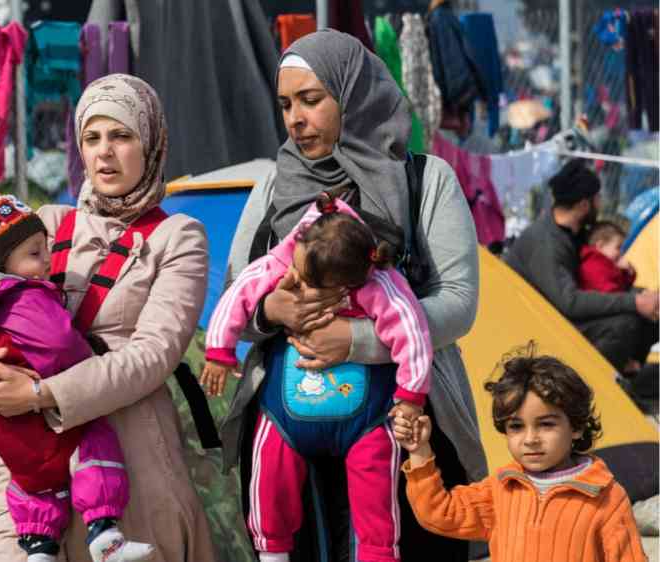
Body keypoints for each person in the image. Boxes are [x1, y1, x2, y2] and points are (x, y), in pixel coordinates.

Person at [220, 29, 487, 562]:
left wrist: (359, 338)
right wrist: (272, 311)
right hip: (290, 423)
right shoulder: (276, 187)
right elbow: (234, 295)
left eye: (312, 100)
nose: (295, 118)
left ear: (353, 94)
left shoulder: (424, 181)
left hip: (404, 429)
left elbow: (458, 301)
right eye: (285, 104)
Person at [0, 74, 218, 562]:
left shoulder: (180, 237)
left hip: (126, 460)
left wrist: (43, 394)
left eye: (122, 136)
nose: (105, 152)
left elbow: (152, 355)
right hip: (29, 465)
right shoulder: (45, 223)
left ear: (150, 143)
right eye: (92, 137)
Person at [0, 179, 154, 562]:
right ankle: (103, 530)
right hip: (41, 406)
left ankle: (39, 546)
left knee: (33, 479)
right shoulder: (24, 297)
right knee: (93, 438)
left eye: (46, 249)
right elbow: (58, 343)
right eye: (36, 253)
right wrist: (89, 361)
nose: (47, 260)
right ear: (1, 263)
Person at [202, 192, 431, 562]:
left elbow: (412, 332)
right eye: (296, 269)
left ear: (348, 286)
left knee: (376, 508)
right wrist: (218, 351)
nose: (296, 283)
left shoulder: (377, 285)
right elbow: (239, 292)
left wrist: (410, 396)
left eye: (310, 284)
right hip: (286, 412)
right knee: (268, 486)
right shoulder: (291, 255)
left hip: (367, 419)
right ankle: (272, 556)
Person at [393, 347, 648, 562]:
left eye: (546, 424)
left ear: (577, 426)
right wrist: (419, 451)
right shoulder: (502, 488)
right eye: (516, 426)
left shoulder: (606, 498)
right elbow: (439, 513)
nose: (530, 439)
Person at [505, 159, 659, 376]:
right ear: (584, 205)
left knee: (650, 315)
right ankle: (591, 385)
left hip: (562, 315)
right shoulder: (546, 242)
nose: (600, 203)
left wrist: (643, 297)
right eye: (597, 199)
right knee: (625, 323)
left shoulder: (574, 233)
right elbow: (569, 302)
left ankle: (629, 379)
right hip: (540, 327)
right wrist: (634, 301)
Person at [578, 221, 636, 294]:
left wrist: (628, 271)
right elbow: (609, 294)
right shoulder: (594, 266)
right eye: (618, 247)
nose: (621, 253)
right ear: (600, 246)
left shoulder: (608, 264)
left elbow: (623, 285)